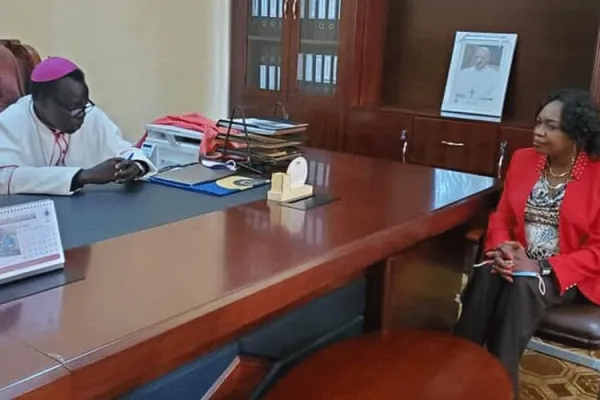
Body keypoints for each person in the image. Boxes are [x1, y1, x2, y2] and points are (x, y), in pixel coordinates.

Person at [454, 88, 600, 392]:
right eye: (538, 122)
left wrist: (542, 266)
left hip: (572, 274)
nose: (538, 132)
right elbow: (501, 217)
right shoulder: (523, 159)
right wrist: (501, 248)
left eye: (551, 126)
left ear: (576, 134)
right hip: (519, 260)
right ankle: (459, 366)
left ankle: (500, 386)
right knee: (489, 272)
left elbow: (597, 251)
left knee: (523, 283)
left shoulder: (596, 175)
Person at [0, 57, 156, 195]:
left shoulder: (90, 114)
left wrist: (137, 165)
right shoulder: (11, 122)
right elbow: (4, 178)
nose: (82, 114)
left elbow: (123, 150)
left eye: (84, 104)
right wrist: (82, 176)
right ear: (40, 100)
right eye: (73, 108)